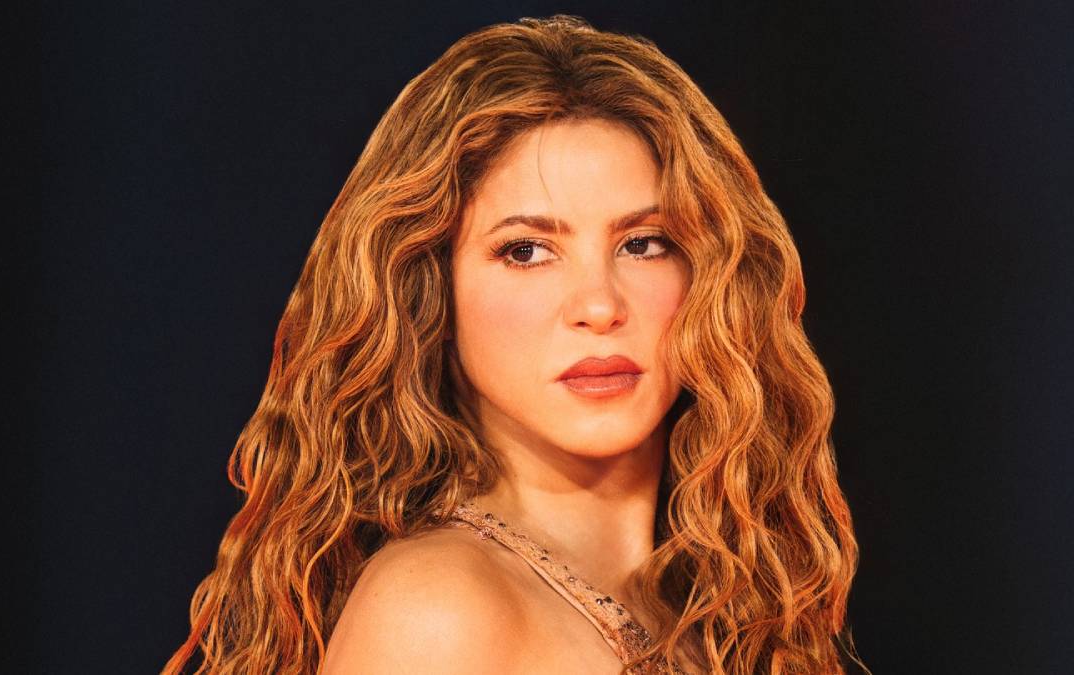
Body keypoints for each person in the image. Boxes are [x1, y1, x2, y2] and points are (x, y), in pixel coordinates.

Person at [165, 15, 863, 675]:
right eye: (526, 250)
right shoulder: (437, 609)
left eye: (644, 243)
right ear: (430, 290)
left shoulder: (723, 617)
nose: (599, 306)